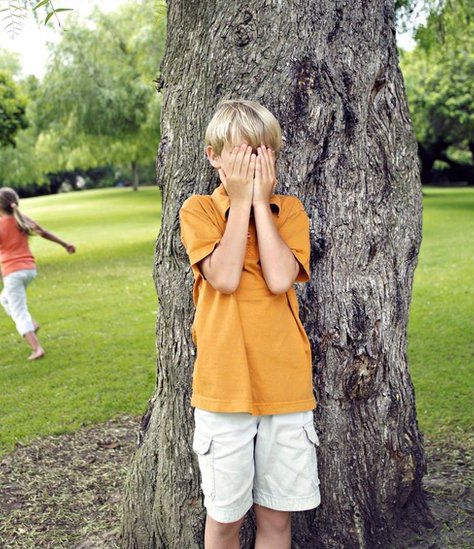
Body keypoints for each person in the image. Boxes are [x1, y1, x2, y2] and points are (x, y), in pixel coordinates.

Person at [179, 100, 318, 548]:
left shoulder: (289, 210)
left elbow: (280, 279)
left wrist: (260, 204)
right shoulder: (198, 210)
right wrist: (239, 203)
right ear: (213, 156)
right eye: (240, 156)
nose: (251, 166)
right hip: (223, 388)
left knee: (277, 521)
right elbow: (223, 276)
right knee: (224, 521)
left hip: (284, 385)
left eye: (260, 155)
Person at [0, 187, 75, 360]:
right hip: (29, 270)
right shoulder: (22, 219)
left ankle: (37, 348)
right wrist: (65, 244)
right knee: (5, 299)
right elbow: (44, 232)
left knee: (19, 311)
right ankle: (32, 325)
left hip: (13, 273)